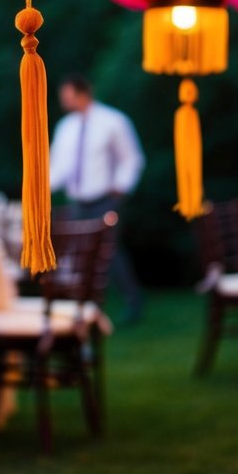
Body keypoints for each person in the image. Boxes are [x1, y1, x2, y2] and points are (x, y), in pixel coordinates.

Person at [49, 73, 145, 323]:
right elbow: (58, 166)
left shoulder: (113, 121)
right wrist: (39, 190)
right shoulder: (65, 128)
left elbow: (132, 158)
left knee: (109, 251)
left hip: (106, 199)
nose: (67, 102)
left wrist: (121, 188)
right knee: (79, 253)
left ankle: (132, 302)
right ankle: (86, 305)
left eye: (70, 97)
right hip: (78, 201)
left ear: (84, 93)